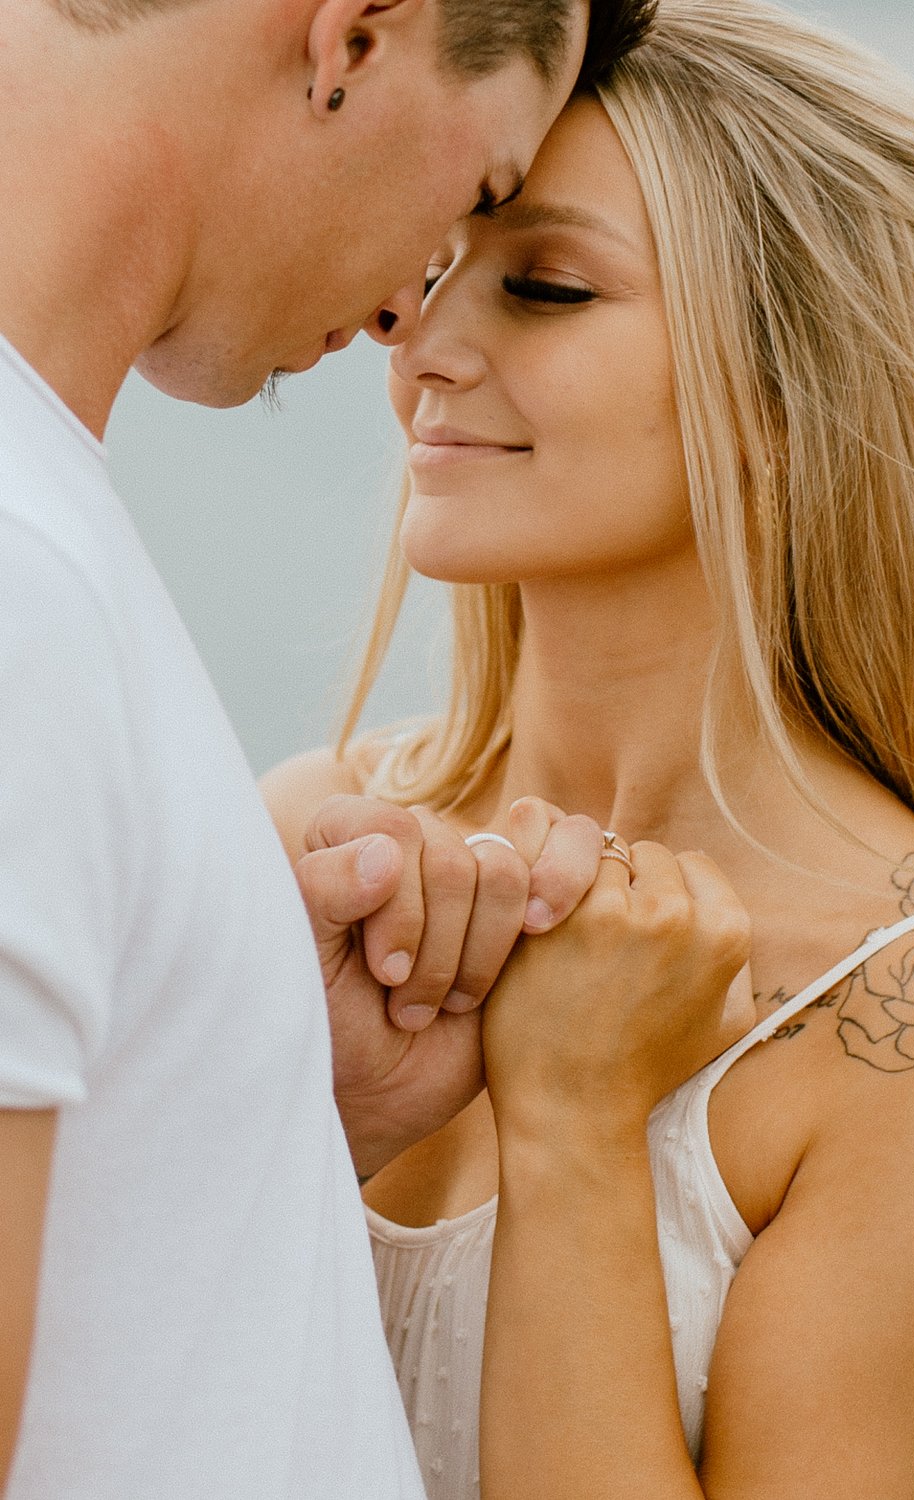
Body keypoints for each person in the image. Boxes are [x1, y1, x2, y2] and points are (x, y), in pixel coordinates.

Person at [263, 1, 914, 1496]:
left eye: (543, 285)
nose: (422, 350)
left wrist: (579, 1123)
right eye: (435, 264)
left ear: (790, 390)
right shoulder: (316, 827)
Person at [0, 0, 659, 1494]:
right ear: (354, 36)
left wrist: (253, 1081)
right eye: (474, 193)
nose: (402, 315)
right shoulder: (20, 584)